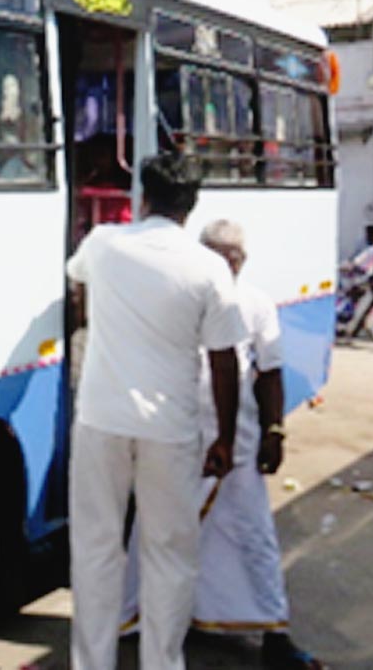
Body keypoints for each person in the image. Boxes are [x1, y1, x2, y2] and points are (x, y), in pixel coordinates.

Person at [66, 152, 245, 670]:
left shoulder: (103, 243)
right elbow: (225, 361)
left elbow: (77, 281)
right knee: (169, 555)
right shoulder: (209, 268)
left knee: (96, 549)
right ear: (192, 205)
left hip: (101, 420)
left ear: (143, 197)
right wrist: (225, 438)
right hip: (170, 430)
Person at [119, 219, 324, 669]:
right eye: (214, 256)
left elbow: (268, 372)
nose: (224, 265)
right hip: (175, 439)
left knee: (251, 535)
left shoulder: (256, 304)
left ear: (242, 261)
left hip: (238, 445)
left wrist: (274, 431)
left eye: (232, 257)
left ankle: (274, 634)